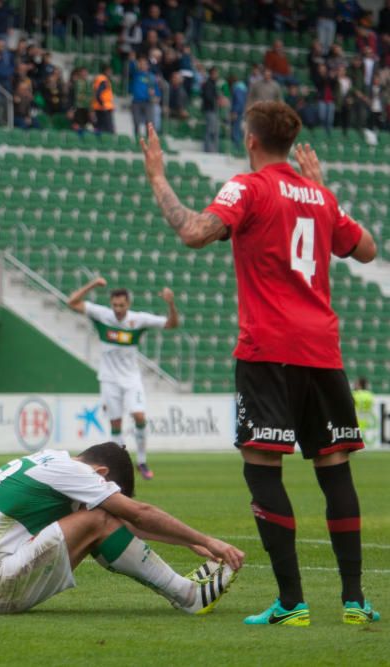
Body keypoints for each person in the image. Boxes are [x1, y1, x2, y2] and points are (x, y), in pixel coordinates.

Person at [140, 103, 380, 625]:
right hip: (322, 350)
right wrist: (328, 197)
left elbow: (193, 232)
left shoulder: (247, 187)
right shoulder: (318, 195)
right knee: (334, 467)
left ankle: (293, 602)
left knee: (263, 467)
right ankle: (355, 601)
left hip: (268, 348)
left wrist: (158, 178)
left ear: (251, 141)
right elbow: (366, 249)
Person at [0, 443, 244, 615]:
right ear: (102, 473)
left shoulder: (53, 460)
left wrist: (188, 542)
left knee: (98, 518)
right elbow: (137, 515)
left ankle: (183, 590)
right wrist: (208, 540)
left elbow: (125, 522)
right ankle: (188, 596)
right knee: (97, 519)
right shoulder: (78, 473)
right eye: (109, 488)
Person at [68, 279, 178, 480]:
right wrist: (92, 284)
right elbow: (72, 302)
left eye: (122, 305)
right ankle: (117, 465)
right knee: (116, 424)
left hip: (131, 378)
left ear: (128, 304)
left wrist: (170, 304)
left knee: (139, 417)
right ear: (111, 303)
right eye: (115, 305)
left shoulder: (138, 319)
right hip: (109, 379)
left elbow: (171, 324)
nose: (118, 309)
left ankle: (142, 461)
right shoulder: (103, 314)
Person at [91, 62, 115, 134]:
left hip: (98, 107)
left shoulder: (98, 79)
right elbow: (98, 94)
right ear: (105, 71)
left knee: (99, 128)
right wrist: (102, 104)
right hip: (104, 108)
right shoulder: (104, 81)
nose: (111, 72)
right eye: (109, 71)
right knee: (108, 129)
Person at [352, 378, 375, 446]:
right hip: (367, 419)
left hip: (356, 419)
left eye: (356, 384)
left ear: (360, 385)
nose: (354, 385)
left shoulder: (354, 394)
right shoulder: (370, 395)